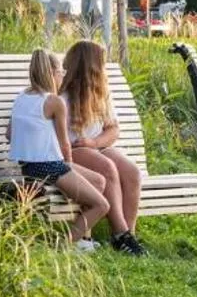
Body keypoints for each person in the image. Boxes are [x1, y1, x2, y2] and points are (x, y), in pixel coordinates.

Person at [8, 48, 112, 250]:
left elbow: (9, 134)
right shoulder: (54, 102)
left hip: (29, 167)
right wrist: (70, 169)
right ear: (52, 73)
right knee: (102, 205)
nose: (61, 77)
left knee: (98, 181)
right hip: (51, 168)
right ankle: (63, 246)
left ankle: (83, 240)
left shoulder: (21, 98)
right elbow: (65, 144)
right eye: (60, 73)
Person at [59, 40, 149, 256]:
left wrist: (95, 142)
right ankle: (120, 232)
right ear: (90, 67)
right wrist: (89, 145)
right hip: (74, 151)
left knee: (132, 172)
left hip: (94, 146)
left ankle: (129, 237)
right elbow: (62, 140)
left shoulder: (102, 94)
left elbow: (113, 129)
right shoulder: (63, 97)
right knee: (107, 167)